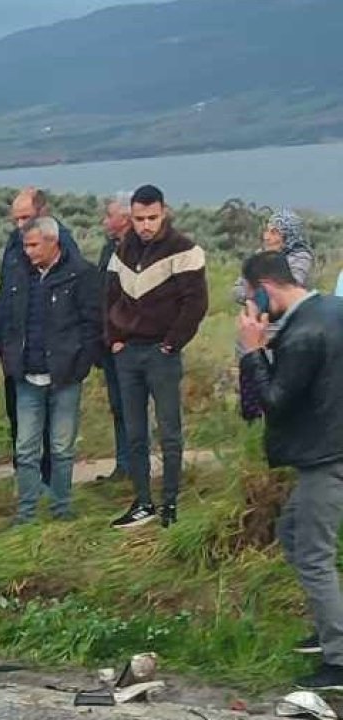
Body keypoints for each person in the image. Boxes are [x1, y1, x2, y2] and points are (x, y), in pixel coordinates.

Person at [236, 251, 343, 691]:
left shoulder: (301, 333)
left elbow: (274, 402)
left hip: (325, 456)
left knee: (315, 554)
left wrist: (253, 351)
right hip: (329, 444)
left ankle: (338, 660)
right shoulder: (332, 310)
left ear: (264, 287)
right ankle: (330, 623)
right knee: (293, 532)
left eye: (250, 295)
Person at [106, 184, 208, 529]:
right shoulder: (122, 250)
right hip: (129, 353)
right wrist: (115, 338)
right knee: (134, 432)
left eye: (152, 217)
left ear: (163, 212)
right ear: (130, 217)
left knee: (169, 431)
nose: (146, 225)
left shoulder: (185, 249)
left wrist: (172, 343)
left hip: (162, 353)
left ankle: (170, 502)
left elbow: (195, 303)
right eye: (139, 218)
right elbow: (107, 297)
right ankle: (143, 502)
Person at [0, 218, 102, 523]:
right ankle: (26, 513)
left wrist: (80, 366)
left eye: (33, 245)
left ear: (53, 242)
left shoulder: (81, 274)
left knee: (61, 447)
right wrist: (9, 358)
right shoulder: (17, 275)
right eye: (25, 245)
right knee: (26, 448)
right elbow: (1, 319)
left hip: (65, 377)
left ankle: (61, 509)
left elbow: (93, 325)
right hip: (26, 376)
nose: (27, 252)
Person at [0, 187, 82, 486]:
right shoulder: (13, 244)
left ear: (43, 214)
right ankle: (28, 486)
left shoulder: (63, 247)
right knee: (20, 422)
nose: (20, 226)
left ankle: (53, 488)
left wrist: (76, 356)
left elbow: (78, 308)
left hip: (51, 355)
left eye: (26, 218)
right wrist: (2, 337)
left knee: (53, 430)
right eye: (15, 219)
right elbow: (7, 293)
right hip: (18, 350)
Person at [232, 209, 314, 354]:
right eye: (267, 231)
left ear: (288, 236)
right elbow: (237, 290)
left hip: (285, 331)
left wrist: (255, 294)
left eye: (274, 232)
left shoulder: (300, 258)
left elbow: (287, 287)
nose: (266, 237)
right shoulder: (260, 255)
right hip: (254, 329)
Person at [96, 193, 134, 482]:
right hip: (109, 340)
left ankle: (137, 464)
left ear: (125, 217)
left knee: (134, 404)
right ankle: (123, 464)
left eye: (109, 215)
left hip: (133, 342)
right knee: (118, 405)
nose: (104, 220)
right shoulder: (108, 249)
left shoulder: (142, 249)